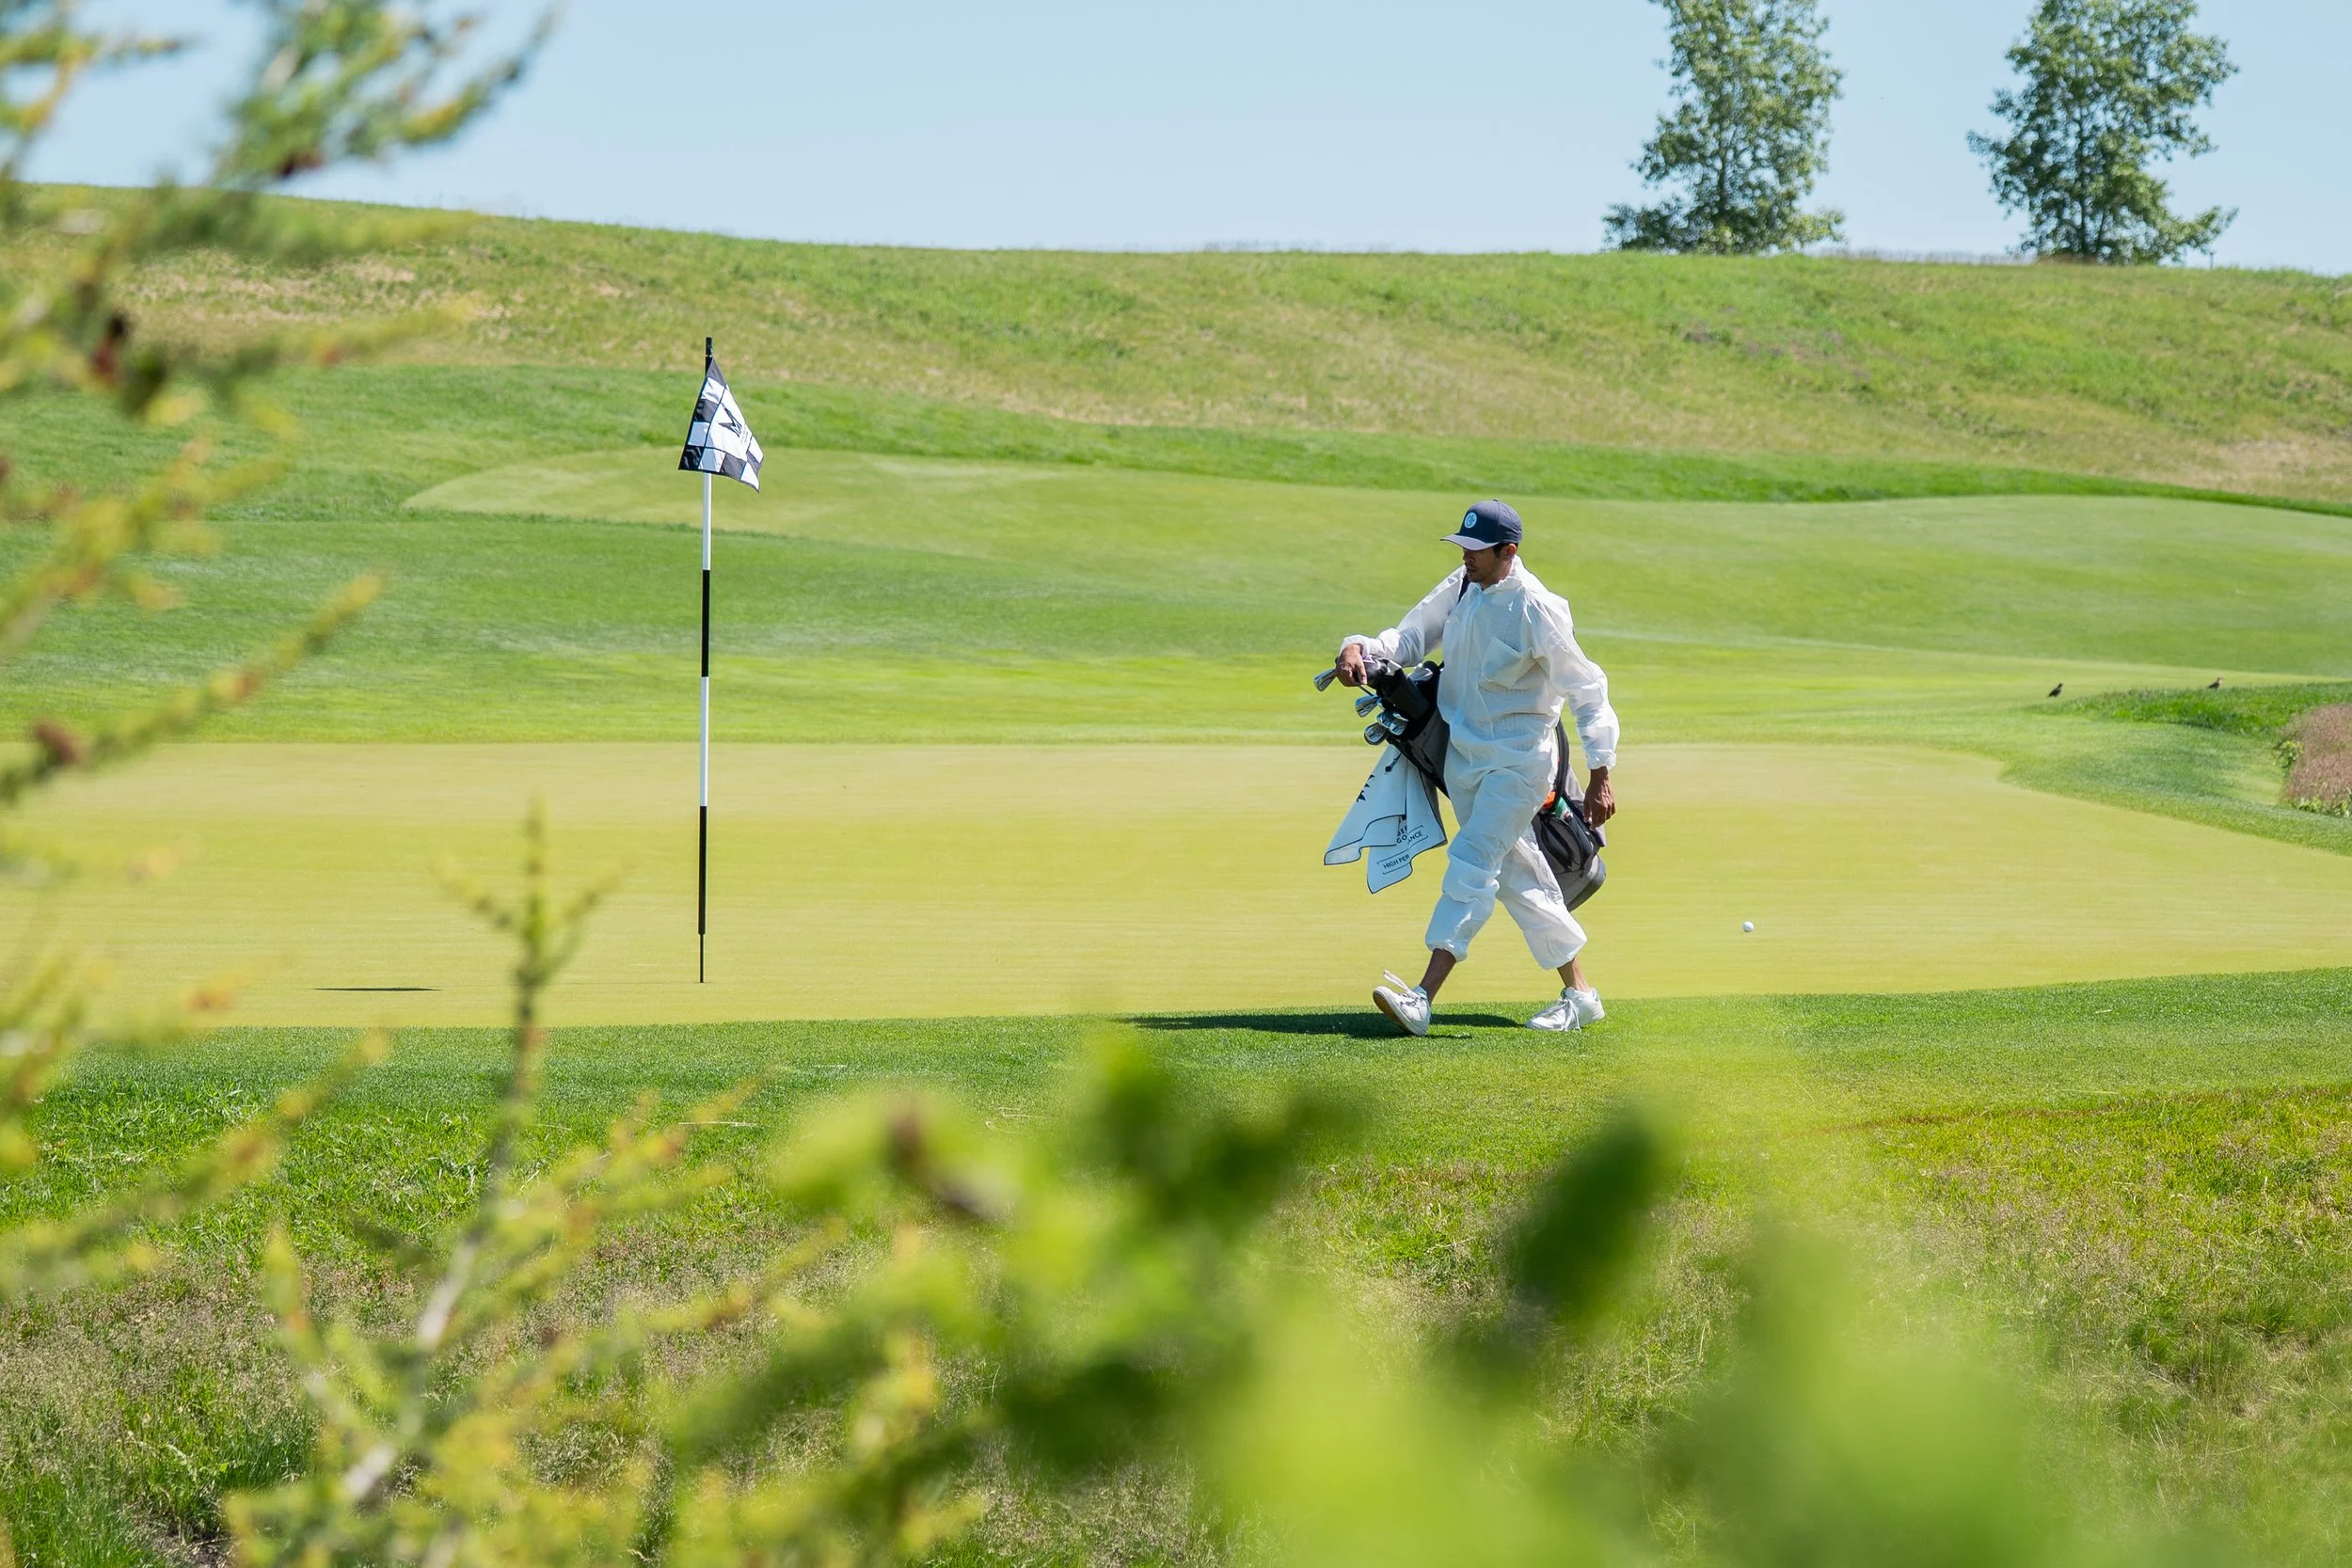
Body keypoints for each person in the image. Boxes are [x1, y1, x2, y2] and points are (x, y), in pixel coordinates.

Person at [1334, 499, 1618, 1036]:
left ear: (1508, 551)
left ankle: (1422, 997)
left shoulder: (1538, 608)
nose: (1466, 556)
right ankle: (1581, 995)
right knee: (1519, 877)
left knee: (1472, 862)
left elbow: (1587, 689)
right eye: (1462, 546)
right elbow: (1408, 638)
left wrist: (1601, 773)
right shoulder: (1464, 585)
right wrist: (1357, 646)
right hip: (1463, 759)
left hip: (1519, 764)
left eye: (1477, 549)